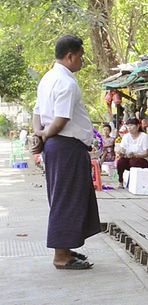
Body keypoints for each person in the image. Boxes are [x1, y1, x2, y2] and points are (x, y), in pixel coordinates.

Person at [32, 35, 100, 270]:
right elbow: (60, 119)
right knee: (67, 198)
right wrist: (44, 134)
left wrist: (39, 133)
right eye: (80, 57)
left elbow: (37, 113)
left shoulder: (47, 79)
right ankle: (61, 255)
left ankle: (67, 248)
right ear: (70, 56)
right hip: (65, 146)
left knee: (66, 196)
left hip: (59, 146)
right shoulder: (66, 83)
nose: (82, 62)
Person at [116, 117, 148, 188]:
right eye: (128, 126)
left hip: (143, 161)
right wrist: (121, 153)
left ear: (138, 126)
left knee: (133, 161)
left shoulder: (144, 137)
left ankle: (134, 182)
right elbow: (122, 149)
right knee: (120, 162)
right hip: (129, 159)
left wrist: (135, 155)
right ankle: (120, 181)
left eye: (131, 125)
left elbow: (146, 153)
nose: (129, 128)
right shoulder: (126, 137)